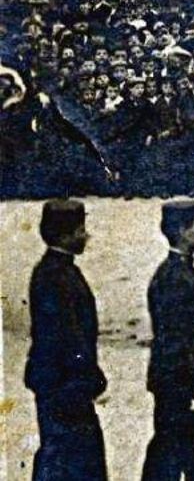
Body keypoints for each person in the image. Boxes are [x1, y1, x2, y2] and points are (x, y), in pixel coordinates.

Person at [26, 199, 109, 481]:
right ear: (64, 235)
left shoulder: (56, 271)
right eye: (80, 230)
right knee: (69, 462)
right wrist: (89, 377)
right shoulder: (55, 276)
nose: (86, 235)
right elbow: (68, 338)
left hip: (62, 385)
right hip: (64, 388)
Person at [142, 199, 194, 481]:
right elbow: (176, 340)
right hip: (182, 387)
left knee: (174, 456)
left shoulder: (177, 272)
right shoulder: (176, 278)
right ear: (182, 231)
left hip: (179, 386)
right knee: (186, 459)